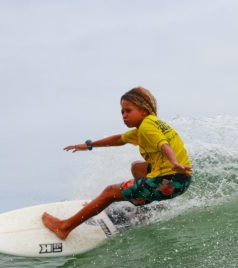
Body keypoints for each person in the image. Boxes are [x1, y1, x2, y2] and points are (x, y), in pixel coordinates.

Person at [42, 87, 193, 240]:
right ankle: (145, 208)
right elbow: (118, 139)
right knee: (137, 167)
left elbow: (163, 145)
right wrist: (89, 145)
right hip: (181, 180)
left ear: (144, 110)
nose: (124, 115)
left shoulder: (147, 128)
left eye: (128, 110)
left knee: (110, 192)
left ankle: (64, 227)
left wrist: (174, 162)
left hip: (168, 180)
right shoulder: (151, 124)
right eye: (122, 112)